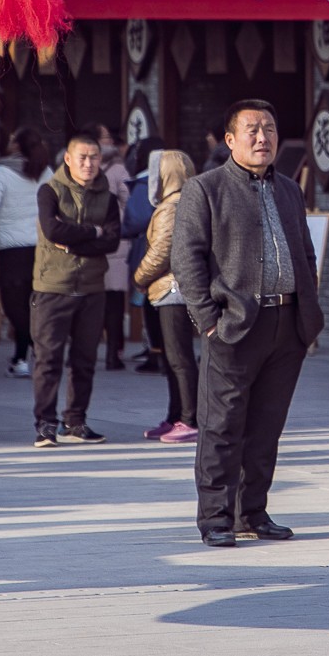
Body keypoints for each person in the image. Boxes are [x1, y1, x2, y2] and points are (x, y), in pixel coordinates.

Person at [173, 100, 323, 547]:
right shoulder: (206, 189)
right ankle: (216, 518)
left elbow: (305, 252)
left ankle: (252, 512)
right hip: (234, 325)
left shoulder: (289, 190)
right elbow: (186, 259)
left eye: (270, 130)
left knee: (266, 426)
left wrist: (308, 311)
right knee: (222, 425)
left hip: (287, 324)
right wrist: (208, 320)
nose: (263, 138)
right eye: (253, 130)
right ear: (230, 140)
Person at [29, 130, 120, 446]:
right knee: (48, 359)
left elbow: (111, 239)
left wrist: (73, 241)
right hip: (53, 286)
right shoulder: (49, 191)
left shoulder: (107, 197)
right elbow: (52, 229)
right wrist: (90, 234)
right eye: (82, 157)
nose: (89, 163)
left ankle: (76, 422)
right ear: (68, 159)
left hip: (93, 288)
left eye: (94, 157)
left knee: (84, 359)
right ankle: (45, 424)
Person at [134, 149, 198, 443]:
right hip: (172, 290)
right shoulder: (185, 202)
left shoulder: (173, 206)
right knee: (173, 359)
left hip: (174, 290)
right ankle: (175, 416)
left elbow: (162, 251)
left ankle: (189, 418)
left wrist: (139, 277)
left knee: (180, 359)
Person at [0, 127, 50, 378]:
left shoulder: (2, 171)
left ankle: (35, 350)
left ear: (18, 146)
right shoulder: (47, 172)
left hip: (12, 248)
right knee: (33, 305)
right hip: (41, 247)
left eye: (11, 140)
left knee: (14, 306)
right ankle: (21, 357)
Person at [92, 123, 133, 372]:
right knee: (114, 300)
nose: (111, 141)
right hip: (114, 240)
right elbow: (129, 202)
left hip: (92, 240)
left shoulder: (77, 168)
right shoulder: (118, 169)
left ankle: (90, 350)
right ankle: (112, 355)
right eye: (106, 137)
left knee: (93, 298)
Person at [122, 138, 164, 373]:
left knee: (150, 304)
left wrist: (123, 229)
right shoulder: (176, 181)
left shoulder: (144, 184)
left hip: (147, 250)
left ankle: (156, 353)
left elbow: (136, 220)